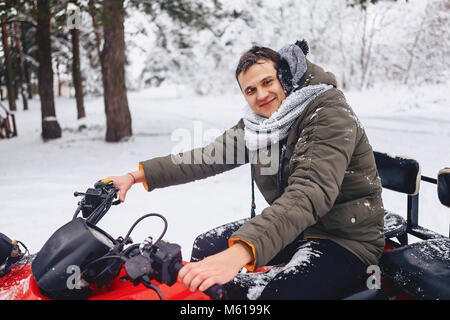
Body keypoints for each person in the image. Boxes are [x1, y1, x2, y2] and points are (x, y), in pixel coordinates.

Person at [107, 40, 385, 300]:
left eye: (268, 82)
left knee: (255, 294)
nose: (261, 95)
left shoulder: (327, 112)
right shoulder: (261, 125)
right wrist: (135, 176)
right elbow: (205, 157)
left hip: (346, 238)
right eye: (250, 90)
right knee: (207, 247)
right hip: (298, 227)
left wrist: (240, 252)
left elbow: (309, 192)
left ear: (285, 78)